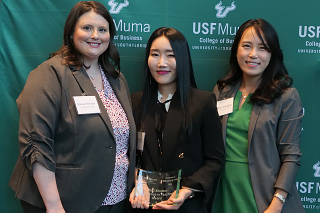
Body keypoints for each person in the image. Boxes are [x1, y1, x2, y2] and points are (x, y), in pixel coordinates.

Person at [9, 1, 136, 213]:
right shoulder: (49, 74)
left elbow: (122, 144)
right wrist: (53, 205)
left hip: (116, 199)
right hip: (65, 201)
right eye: (87, 28)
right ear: (71, 33)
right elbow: (35, 141)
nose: (95, 35)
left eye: (102, 30)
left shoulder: (117, 79)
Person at [212, 19, 304, 213]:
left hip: (264, 197)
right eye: (246, 46)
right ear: (236, 49)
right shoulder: (222, 91)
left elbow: (291, 156)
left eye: (262, 48)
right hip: (223, 191)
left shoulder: (286, 97)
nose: (253, 54)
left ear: (272, 54)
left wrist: (277, 204)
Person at [129, 27, 225, 212]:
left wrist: (187, 190)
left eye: (170, 55)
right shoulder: (135, 102)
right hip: (144, 204)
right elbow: (127, 156)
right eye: (155, 54)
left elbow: (215, 160)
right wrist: (138, 181)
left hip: (187, 205)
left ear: (182, 59)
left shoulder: (203, 102)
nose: (161, 63)